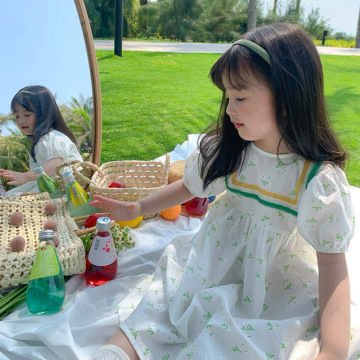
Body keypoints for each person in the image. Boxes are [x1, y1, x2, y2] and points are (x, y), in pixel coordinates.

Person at [91, 23, 354, 360]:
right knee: (163, 311)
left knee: (243, 336)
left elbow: (333, 269)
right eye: (227, 97)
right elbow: (188, 186)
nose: (229, 109)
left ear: (289, 97)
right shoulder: (233, 150)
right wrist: (138, 207)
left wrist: (332, 351)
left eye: (240, 97)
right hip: (213, 257)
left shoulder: (316, 179)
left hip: (273, 277)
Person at [0, 85, 83, 195]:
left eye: (27, 114)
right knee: (11, 196)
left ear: (44, 114)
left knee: (12, 197)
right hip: (56, 185)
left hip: (66, 188)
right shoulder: (41, 141)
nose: (21, 121)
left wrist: (26, 176)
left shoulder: (51, 137)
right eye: (17, 116)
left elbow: (56, 163)